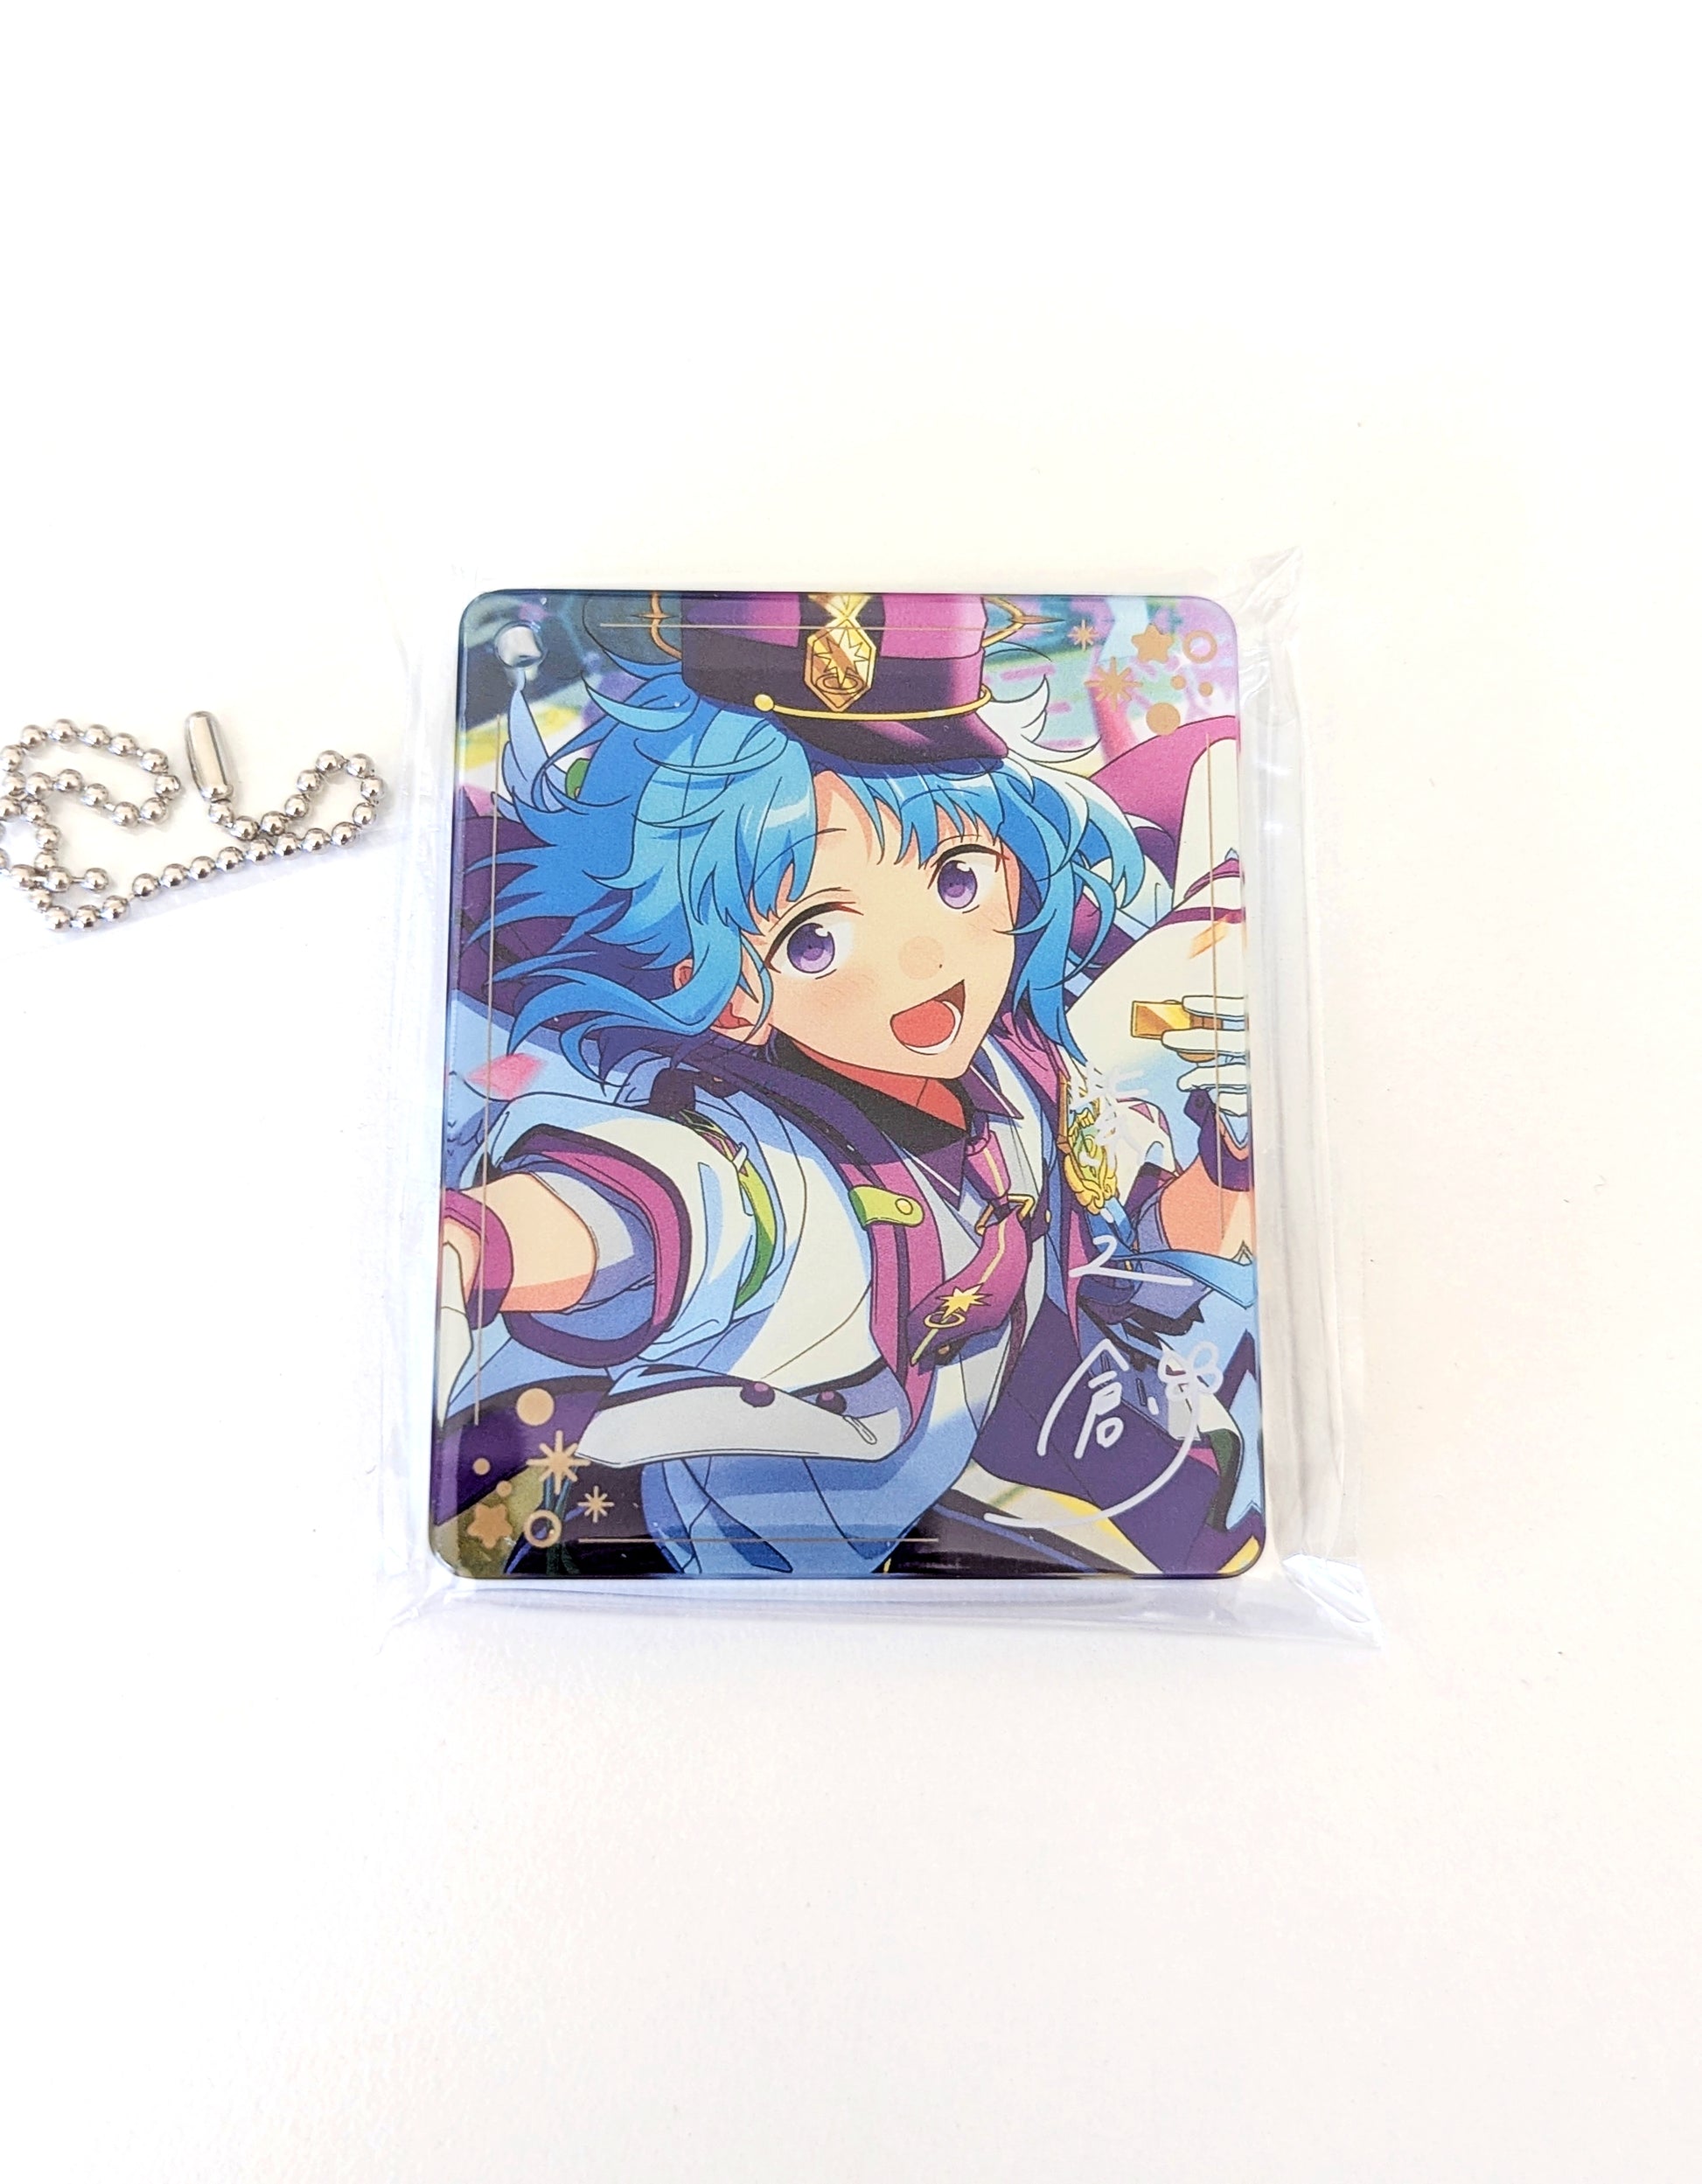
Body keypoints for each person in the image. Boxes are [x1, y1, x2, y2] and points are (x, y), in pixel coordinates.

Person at [436, 592, 1261, 1580]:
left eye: (957, 879)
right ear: (732, 991)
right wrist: (482, 1243)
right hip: (739, 1571)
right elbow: (662, 1210)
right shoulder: (768, 1163)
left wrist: (1219, 1158)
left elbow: (1122, 1200)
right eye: (815, 937)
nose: (924, 960)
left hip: (1010, 1487)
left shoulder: (1016, 1065)